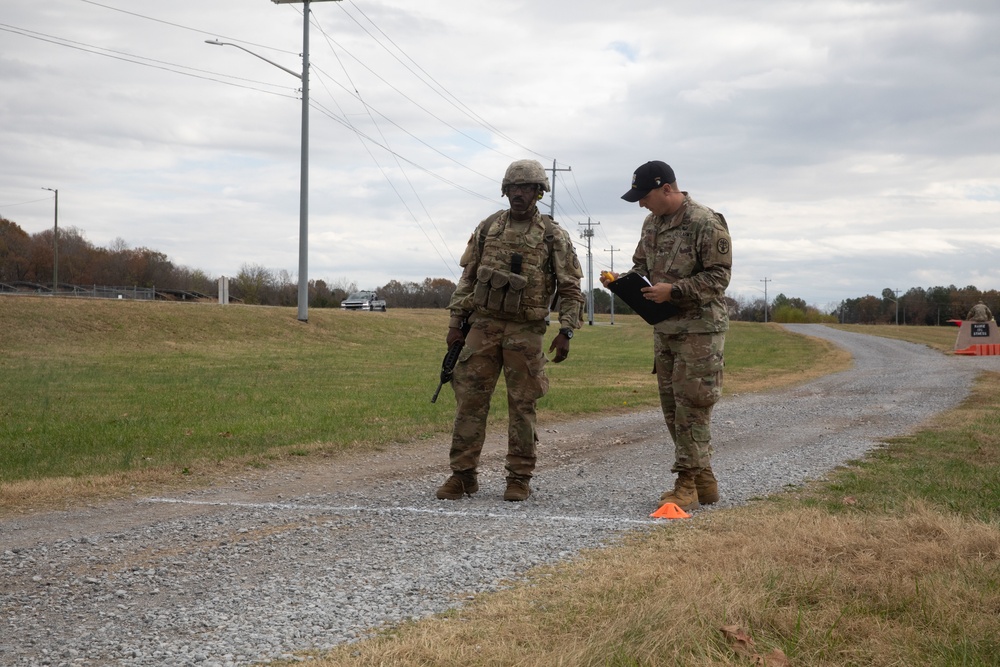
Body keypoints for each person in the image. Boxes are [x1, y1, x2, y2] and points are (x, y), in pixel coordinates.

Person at [436, 159, 585, 502]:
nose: (519, 194)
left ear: (538, 193)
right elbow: (469, 278)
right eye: (514, 188)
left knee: (522, 404)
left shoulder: (552, 236)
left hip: (526, 330)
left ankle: (519, 477)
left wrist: (567, 330)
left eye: (527, 188)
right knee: (469, 401)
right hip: (483, 326)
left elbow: (570, 288)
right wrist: (455, 323)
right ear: (505, 190)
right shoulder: (489, 228)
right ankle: (462, 475)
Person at [601, 160, 732, 511]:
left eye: (645, 197)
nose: (642, 204)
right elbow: (642, 267)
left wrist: (673, 291)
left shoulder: (705, 221)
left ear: (667, 189)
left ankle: (686, 483)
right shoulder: (651, 224)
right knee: (672, 409)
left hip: (700, 329)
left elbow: (719, 277)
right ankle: (703, 479)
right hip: (665, 329)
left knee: (693, 405)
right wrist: (622, 281)